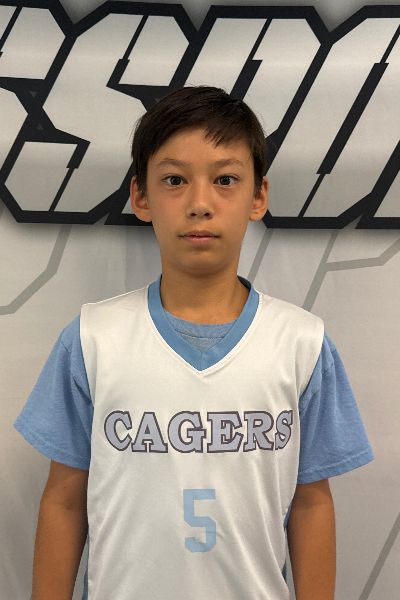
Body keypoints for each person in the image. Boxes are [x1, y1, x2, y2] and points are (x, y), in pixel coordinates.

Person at [14, 85, 374, 600]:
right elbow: (64, 502)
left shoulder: (302, 343)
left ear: (258, 196)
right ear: (141, 197)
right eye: (175, 180)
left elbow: (312, 503)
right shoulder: (93, 339)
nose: (200, 204)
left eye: (225, 180)